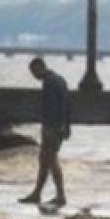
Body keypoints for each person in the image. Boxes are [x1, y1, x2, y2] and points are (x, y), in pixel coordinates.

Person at [18, 57, 71, 206]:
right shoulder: (60, 80)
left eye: (33, 72)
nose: (34, 76)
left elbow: (52, 108)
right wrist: (66, 126)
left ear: (39, 68)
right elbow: (67, 106)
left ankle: (60, 195)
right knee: (44, 160)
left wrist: (50, 128)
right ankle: (37, 193)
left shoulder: (49, 83)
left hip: (52, 128)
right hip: (59, 127)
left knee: (51, 159)